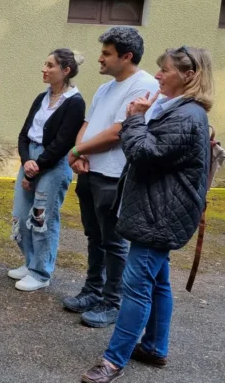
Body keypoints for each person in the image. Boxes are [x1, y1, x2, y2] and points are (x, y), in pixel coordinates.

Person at [80, 47, 213, 383]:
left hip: (160, 215)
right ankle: (154, 347)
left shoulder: (186, 116)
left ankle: (113, 361)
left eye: (164, 70)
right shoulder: (177, 109)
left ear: (188, 76)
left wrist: (135, 118)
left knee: (136, 286)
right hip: (161, 209)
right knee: (158, 281)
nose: (157, 76)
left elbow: (144, 152)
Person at [63, 26, 159, 328]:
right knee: (95, 237)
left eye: (107, 53)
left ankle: (112, 301)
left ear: (126, 56)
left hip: (114, 176)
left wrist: (78, 150)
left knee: (114, 243)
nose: (100, 59)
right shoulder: (105, 88)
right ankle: (92, 290)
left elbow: (118, 133)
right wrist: (79, 154)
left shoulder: (142, 86)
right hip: (90, 174)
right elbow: (89, 124)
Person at [8, 49, 85, 291]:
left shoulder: (74, 102)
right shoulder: (41, 97)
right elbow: (23, 134)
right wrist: (25, 161)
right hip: (30, 160)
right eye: (45, 63)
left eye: (50, 65)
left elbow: (63, 142)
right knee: (21, 216)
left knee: (42, 219)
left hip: (52, 164)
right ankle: (30, 262)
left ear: (66, 71)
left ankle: (41, 273)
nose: (44, 68)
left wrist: (37, 167)